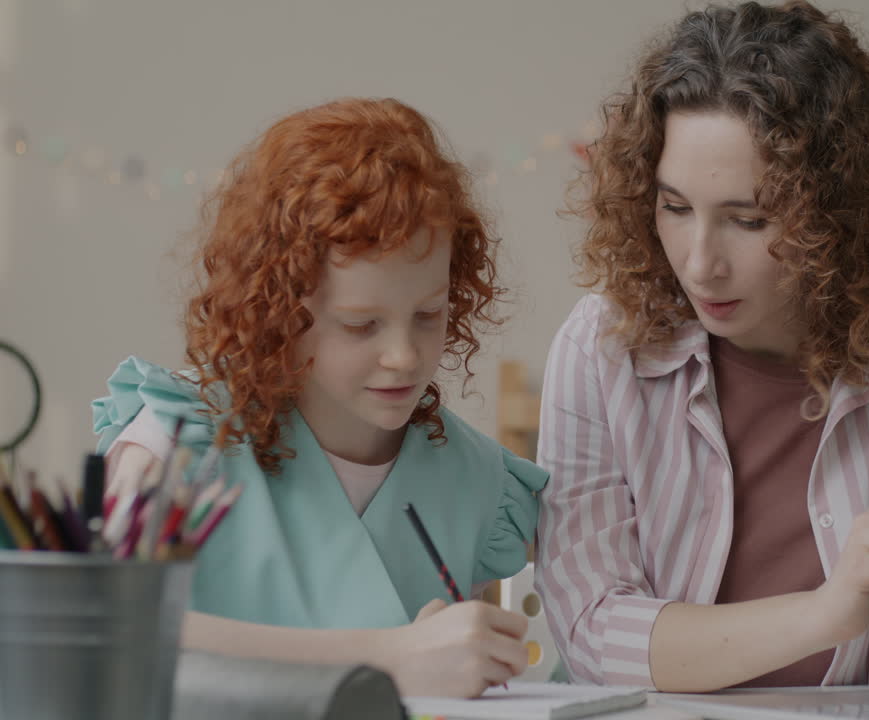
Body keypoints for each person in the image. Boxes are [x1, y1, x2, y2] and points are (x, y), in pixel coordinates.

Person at [534, 0, 869, 692]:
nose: (700, 262)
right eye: (674, 208)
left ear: (831, 210)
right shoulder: (601, 350)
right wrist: (826, 613)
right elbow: (593, 637)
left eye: (749, 218)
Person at [91, 98, 547, 698]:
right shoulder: (175, 441)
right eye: (360, 325)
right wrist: (387, 657)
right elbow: (112, 625)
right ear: (279, 313)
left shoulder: (480, 482)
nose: (404, 356)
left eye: (429, 315)